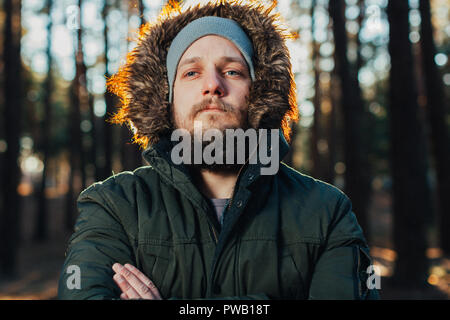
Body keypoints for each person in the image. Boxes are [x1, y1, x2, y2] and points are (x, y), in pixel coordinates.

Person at [58, 0, 379, 300]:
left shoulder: (326, 212)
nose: (212, 85)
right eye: (191, 72)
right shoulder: (115, 205)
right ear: (165, 100)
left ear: (261, 92)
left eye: (232, 71)